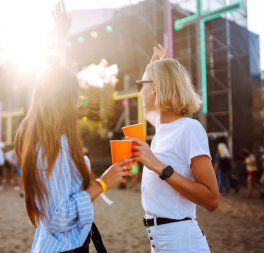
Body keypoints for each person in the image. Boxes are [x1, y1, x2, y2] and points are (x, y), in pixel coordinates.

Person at [14, 3, 132, 252]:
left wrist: (61, 40)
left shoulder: (31, 130)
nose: (79, 101)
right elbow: (58, 217)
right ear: (65, 100)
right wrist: (102, 184)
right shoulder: (52, 144)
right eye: (75, 95)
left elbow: (51, 82)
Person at [128, 45, 219, 252]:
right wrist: (152, 65)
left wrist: (159, 167)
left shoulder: (189, 129)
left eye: (144, 84)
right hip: (160, 240)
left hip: (180, 241)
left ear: (156, 87)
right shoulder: (163, 126)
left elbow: (212, 199)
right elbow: (147, 106)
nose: (141, 89)